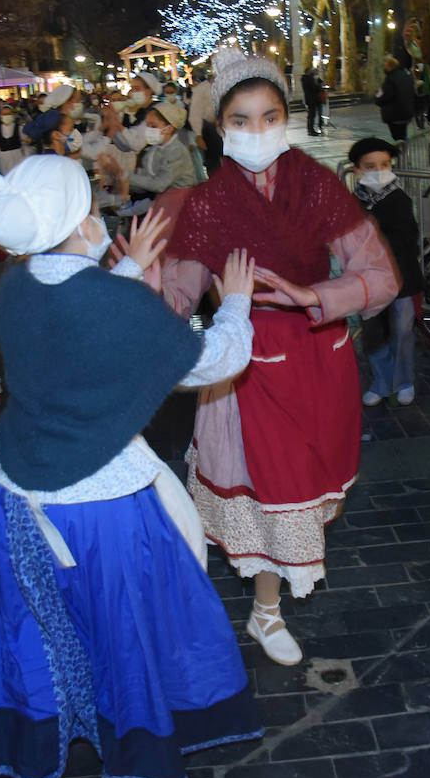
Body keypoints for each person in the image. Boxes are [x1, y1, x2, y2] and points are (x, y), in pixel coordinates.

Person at [0, 154, 263, 778]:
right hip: (100, 505)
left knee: (32, 633)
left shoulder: (14, 282)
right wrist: (237, 299)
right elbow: (213, 359)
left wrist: (128, 272)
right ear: (82, 217)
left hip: (18, 494)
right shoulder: (111, 301)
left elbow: (73, 324)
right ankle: (128, 769)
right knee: (124, 630)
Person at [164, 48, 399, 664]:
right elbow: (177, 295)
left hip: (322, 356)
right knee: (271, 495)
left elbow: (379, 273)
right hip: (247, 364)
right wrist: (134, 279)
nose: (258, 131)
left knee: (321, 491)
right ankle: (265, 613)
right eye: (241, 120)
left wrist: (315, 294)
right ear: (220, 129)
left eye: (271, 116)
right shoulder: (208, 203)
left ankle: (269, 605)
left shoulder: (316, 183)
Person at [351, 138, 422, 408]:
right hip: (368, 283)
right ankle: (381, 381)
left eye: (384, 164)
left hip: (401, 279)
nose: (378, 170)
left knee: (403, 330)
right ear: (356, 170)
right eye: (370, 166)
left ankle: (404, 381)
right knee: (374, 333)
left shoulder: (399, 199)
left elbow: (409, 239)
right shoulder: (354, 202)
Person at [105, 100, 196, 206]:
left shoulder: (177, 152)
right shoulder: (155, 148)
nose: (148, 130)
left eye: (153, 126)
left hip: (179, 203)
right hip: (164, 201)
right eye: (147, 125)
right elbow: (148, 176)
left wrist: (126, 176)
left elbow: (159, 184)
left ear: (170, 128)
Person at [375, 56, 415, 141]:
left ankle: (400, 153)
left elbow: (385, 96)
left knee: (397, 137)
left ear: (389, 65)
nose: (384, 67)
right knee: (403, 135)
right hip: (407, 113)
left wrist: (377, 100)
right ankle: (404, 151)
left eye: (384, 65)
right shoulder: (406, 75)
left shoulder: (390, 79)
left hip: (395, 115)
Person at [0, 104, 27, 174]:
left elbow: (25, 144)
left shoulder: (19, 128)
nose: (6, 116)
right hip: (4, 161)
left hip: (18, 158)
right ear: (0, 116)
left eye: (9, 114)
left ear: (13, 115)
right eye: (4, 114)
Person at [302, 68, 325, 135]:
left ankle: (311, 130)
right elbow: (314, 87)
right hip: (311, 99)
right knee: (311, 115)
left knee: (311, 115)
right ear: (308, 71)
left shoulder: (310, 78)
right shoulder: (307, 79)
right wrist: (318, 87)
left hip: (312, 99)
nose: (312, 72)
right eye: (311, 71)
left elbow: (320, 82)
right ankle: (311, 130)